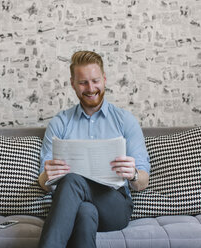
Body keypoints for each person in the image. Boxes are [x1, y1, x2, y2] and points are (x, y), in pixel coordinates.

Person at [38, 51, 150, 248]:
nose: (90, 88)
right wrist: (48, 175)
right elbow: (43, 181)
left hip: (114, 206)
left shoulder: (125, 120)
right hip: (73, 206)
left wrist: (132, 174)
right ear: (72, 83)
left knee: (73, 180)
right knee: (85, 211)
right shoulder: (59, 123)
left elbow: (142, 181)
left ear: (104, 80)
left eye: (95, 81)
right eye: (83, 83)